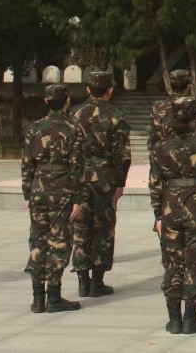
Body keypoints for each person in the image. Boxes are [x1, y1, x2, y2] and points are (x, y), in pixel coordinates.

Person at [149, 96, 196, 335]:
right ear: (195, 116)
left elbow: (155, 184)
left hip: (170, 206)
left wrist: (158, 215)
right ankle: (191, 318)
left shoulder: (161, 146)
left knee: (172, 263)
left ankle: (174, 319)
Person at [22, 83, 83, 314]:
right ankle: (53, 297)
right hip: (62, 188)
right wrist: (78, 197)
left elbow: (27, 164)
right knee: (59, 241)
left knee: (38, 239)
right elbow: (78, 166)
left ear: (47, 102)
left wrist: (28, 192)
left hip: (38, 187)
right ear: (66, 101)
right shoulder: (73, 128)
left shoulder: (34, 128)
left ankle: (38, 297)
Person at [71, 69, 131, 298]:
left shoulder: (75, 115)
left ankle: (82, 280)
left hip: (80, 178)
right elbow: (122, 155)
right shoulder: (116, 116)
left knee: (81, 227)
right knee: (103, 229)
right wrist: (120, 183)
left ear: (88, 89)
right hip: (104, 179)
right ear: (110, 90)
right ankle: (97, 281)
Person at [148, 68, 191, 155]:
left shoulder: (157, 108)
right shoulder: (192, 106)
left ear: (170, 85)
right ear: (188, 86)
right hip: (186, 157)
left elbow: (152, 136)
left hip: (164, 156)